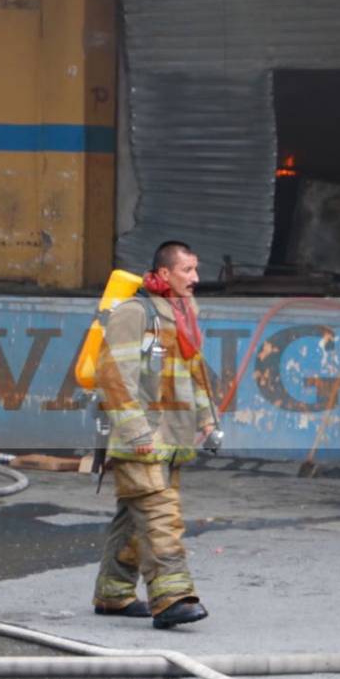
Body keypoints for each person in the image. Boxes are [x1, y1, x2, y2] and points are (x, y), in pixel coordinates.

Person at [91, 241, 215, 629]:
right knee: (160, 513)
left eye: (196, 270)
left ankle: (113, 592)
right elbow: (113, 377)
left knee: (135, 517)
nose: (195, 278)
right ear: (164, 274)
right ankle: (173, 597)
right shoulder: (133, 313)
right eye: (187, 270)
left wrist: (207, 417)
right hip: (143, 437)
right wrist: (135, 431)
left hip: (172, 437)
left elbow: (194, 370)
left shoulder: (182, 313)